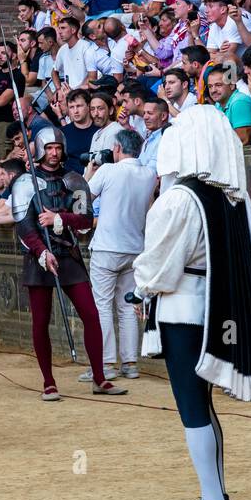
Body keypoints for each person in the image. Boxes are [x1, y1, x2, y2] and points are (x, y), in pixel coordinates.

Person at [132, 106, 251, 500]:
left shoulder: (179, 199)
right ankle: (215, 496)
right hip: (221, 306)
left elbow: (157, 264)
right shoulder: (238, 200)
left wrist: (141, 291)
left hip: (182, 312)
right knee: (203, 405)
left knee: (192, 407)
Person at [13, 128, 126, 399]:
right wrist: (41, 251)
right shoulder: (24, 183)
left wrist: (58, 219)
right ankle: (48, 382)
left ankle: (100, 377)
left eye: (57, 148)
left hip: (69, 255)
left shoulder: (74, 180)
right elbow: (25, 226)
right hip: (39, 258)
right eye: (49, 148)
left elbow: (85, 219)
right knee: (40, 322)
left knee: (91, 314)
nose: (54, 153)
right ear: (40, 149)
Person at [83, 129, 156, 383]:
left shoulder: (108, 171)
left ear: (117, 149)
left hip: (107, 246)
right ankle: (130, 363)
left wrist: (89, 173)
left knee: (102, 306)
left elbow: (83, 199)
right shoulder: (148, 174)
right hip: (135, 246)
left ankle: (106, 364)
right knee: (127, 306)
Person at [207, 64, 251, 145]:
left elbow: (243, 140)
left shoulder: (239, 102)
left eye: (218, 85)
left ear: (231, 85)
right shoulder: (218, 104)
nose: (213, 90)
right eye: (210, 86)